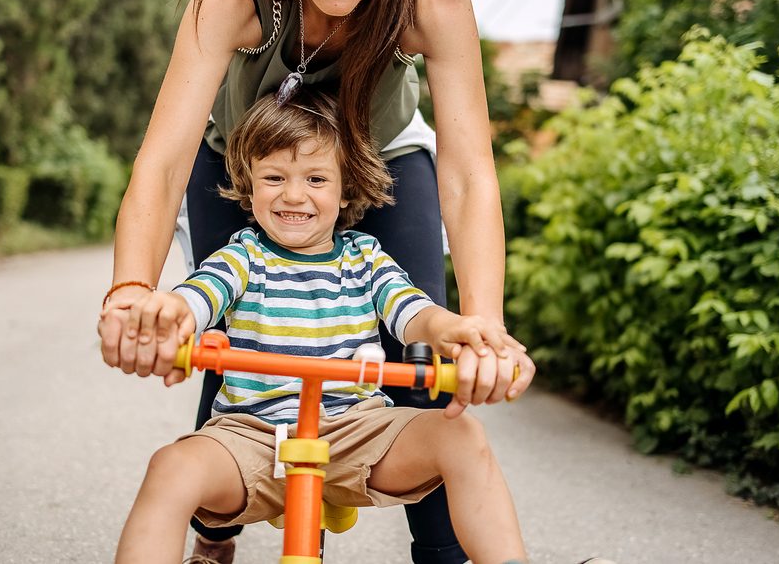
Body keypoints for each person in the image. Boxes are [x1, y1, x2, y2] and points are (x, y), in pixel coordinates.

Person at [98, 0, 536, 562]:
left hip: (384, 156)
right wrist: (131, 293)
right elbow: (164, 159)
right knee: (233, 334)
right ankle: (217, 528)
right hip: (242, 157)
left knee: (431, 380)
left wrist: (482, 327)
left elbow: (467, 175)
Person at [100, 91, 531, 564]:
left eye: (316, 178)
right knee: (171, 468)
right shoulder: (241, 258)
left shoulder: (366, 259)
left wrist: (450, 328)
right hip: (253, 434)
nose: (293, 194)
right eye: (273, 177)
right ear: (249, 185)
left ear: (346, 188)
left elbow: (412, 312)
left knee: (462, 438)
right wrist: (167, 314)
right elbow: (198, 297)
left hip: (359, 429)